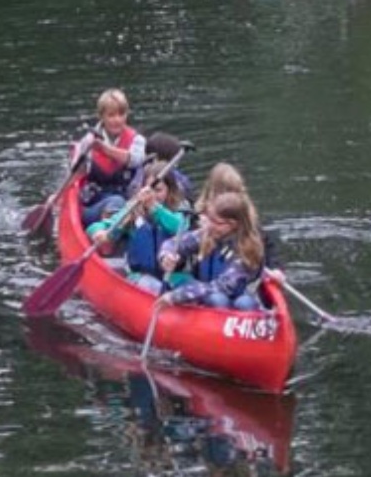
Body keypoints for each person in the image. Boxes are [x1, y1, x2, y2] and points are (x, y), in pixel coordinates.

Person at [158, 191, 270, 311]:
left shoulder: (248, 250)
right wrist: (166, 256)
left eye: (216, 222)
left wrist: (176, 296)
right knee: (216, 298)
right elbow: (172, 243)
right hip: (208, 298)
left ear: (232, 225)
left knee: (235, 302)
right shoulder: (209, 234)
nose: (209, 225)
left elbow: (222, 286)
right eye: (209, 219)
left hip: (237, 302)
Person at [90, 160, 188, 294]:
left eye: (158, 190)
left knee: (193, 289)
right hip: (140, 277)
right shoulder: (133, 210)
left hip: (173, 276)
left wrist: (155, 207)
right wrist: (99, 232)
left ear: (169, 190)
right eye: (148, 190)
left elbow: (179, 227)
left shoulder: (180, 211)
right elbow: (102, 226)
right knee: (155, 288)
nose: (152, 195)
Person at [78, 88, 147, 225]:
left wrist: (104, 149)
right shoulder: (88, 141)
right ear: (101, 116)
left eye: (121, 114)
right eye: (111, 115)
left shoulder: (137, 140)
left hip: (127, 203)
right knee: (116, 202)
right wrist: (57, 196)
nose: (117, 120)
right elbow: (77, 172)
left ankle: (119, 231)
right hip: (94, 204)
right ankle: (105, 233)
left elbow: (134, 160)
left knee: (126, 205)